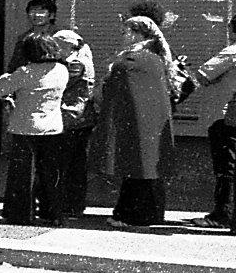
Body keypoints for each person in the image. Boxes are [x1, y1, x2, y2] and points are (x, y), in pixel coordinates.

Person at [98, 15, 183, 227]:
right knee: (145, 169)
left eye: (126, 32)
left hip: (137, 121)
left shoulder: (134, 59)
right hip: (150, 122)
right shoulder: (155, 56)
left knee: (137, 168)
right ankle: (142, 213)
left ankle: (131, 215)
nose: (123, 36)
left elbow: (114, 84)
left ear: (138, 34)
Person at [26, 0, 96, 218]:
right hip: (78, 119)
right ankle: (70, 204)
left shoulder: (73, 64)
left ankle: (65, 204)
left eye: (57, 45)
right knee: (73, 165)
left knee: (64, 165)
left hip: (71, 118)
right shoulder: (75, 61)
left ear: (67, 45)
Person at [0, 31, 69, 226]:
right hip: (53, 127)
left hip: (25, 127)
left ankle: (21, 213)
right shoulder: (62, 70)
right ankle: (52, 212)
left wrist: (5, 76)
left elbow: (2, 89)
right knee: (50, 173)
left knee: (23, 173)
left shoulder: (25, 72)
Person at [181, 17, 236, 230]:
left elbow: (202, 76)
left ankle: (222, 215)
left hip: (224, 116)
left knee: (226, 166)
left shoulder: (231, 52)